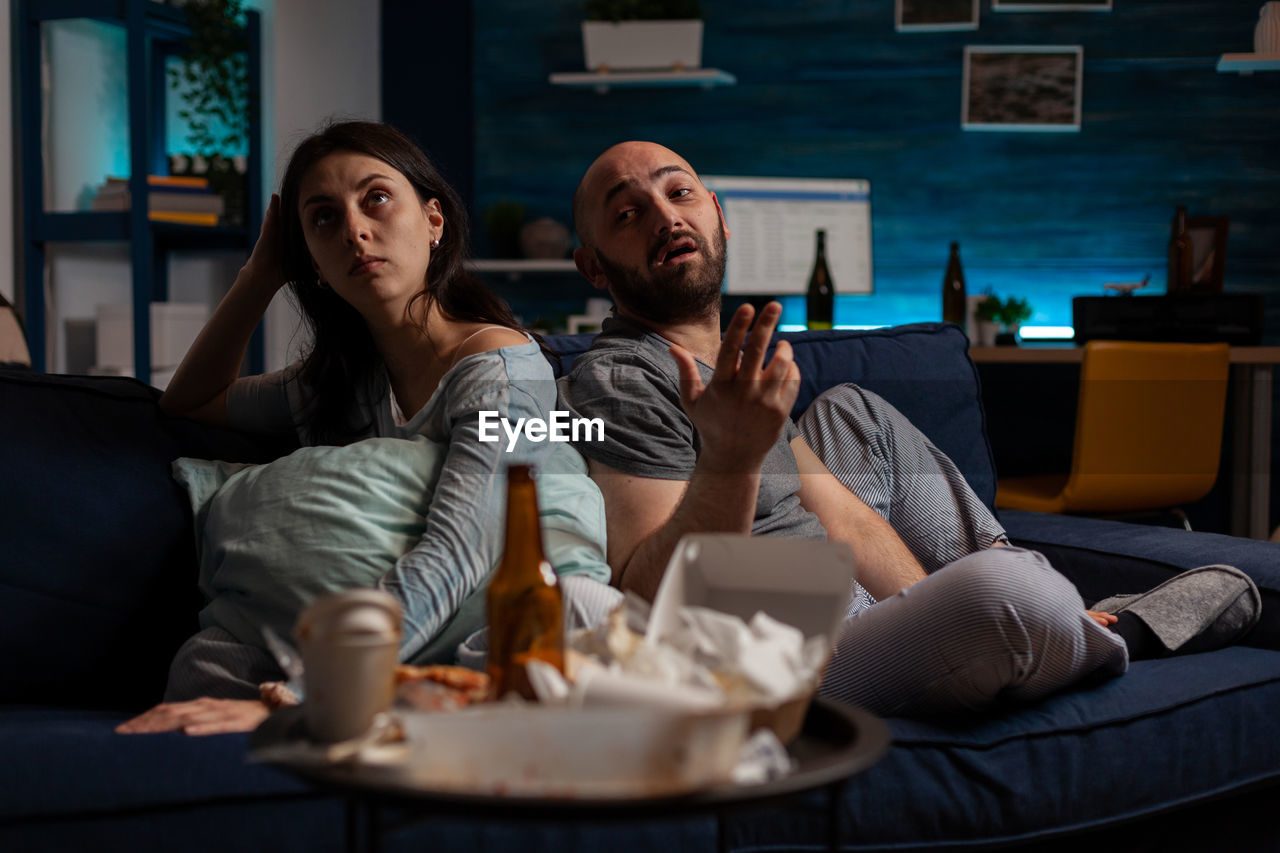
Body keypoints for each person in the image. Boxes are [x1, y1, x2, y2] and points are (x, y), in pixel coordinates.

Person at [557, 140, 1261, 718]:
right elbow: (651, 597)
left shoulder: (735, 364)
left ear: (717, 216)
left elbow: (837, 510)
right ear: (594, 267)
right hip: (776, 645)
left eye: (678, 193)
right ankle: (1110, 632)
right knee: (1001, 596)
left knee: (854, 413)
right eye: (627, 214)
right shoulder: (621, 380)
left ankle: (1045, 620)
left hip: (839, 594)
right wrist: (734, 457)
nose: (662, 215)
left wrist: (918, 609)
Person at [118, 121, 619, 736]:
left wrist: (303, 695)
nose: (355, 229)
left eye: (375, 198)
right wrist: (260, 277)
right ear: (312, 262)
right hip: (383, 631)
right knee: (209, 664)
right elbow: (191, 402)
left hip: (496, 627)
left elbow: (461, 552)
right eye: (324, 219)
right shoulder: (339, 379)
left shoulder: (503, 373)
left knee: (585, 619)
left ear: (434, 222)